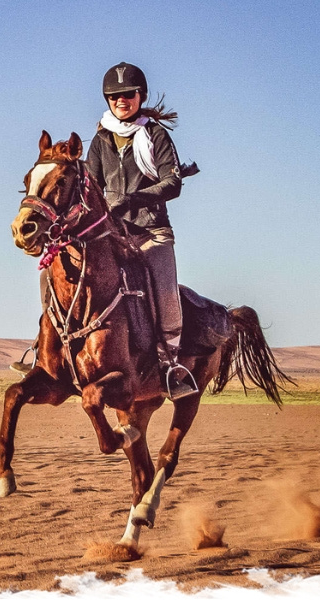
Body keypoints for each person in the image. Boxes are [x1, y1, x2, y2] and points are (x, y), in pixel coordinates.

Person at [85, 62, 197, 400]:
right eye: (115, 96)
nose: (122, 100)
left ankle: (170, 364)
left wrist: (132, 200)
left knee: (164, 294)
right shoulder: (100, 139)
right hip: (113, 234)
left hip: (152, 233)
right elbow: (91, 185)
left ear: (140, 96)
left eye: (128, 94)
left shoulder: (157, 136)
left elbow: (172, 183)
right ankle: (47, 351)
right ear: (108, 100)